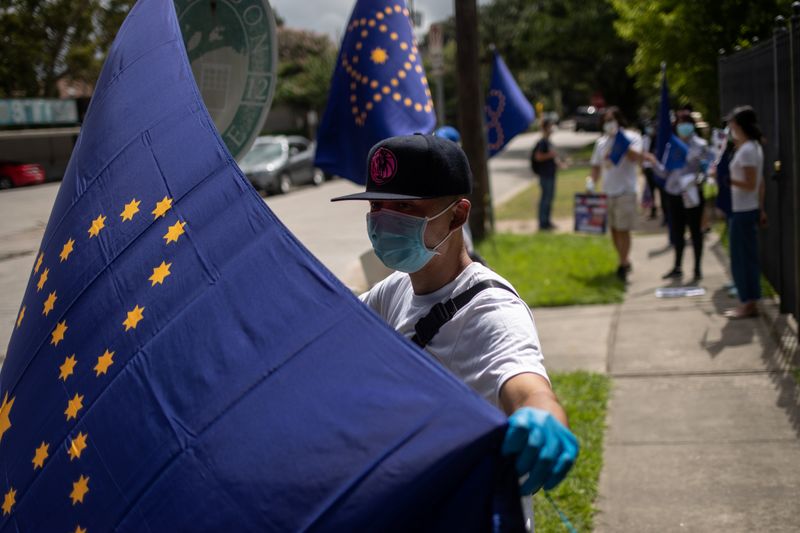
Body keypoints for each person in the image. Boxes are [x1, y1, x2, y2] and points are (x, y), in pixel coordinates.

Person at [332, 134, 578, 518]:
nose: (382, 221)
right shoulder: (396, 287)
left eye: (404, 207)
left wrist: (543, 418)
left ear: (458, 215)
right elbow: (331, 328)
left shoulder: (492, 310)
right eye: (376, 205)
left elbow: (527, 386)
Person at [647, 110, 711, 284]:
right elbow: (664, 172)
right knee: (677, 231)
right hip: (674, 193)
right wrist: (653, 163)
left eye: (687, 123)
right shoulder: (671, 146)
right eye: (680, 123)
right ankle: (677, 267)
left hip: (692, 193)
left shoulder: (701, 144)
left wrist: (698, 179)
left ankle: (697, 268)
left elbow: (707, 169)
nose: (684, 127)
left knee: (695, 231)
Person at [589, 107, 643, 282]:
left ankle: (623, 262)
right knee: (613, 229)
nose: (609, 124)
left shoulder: (632, 137)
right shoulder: (601, 143)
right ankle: (623, 259)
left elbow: (637, 157)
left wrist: (621, 142)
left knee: (623, 228)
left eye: (612, 120)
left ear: (619, 120)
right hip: (608, 191)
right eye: (606, 121)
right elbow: (596, 166)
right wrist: (591, 181)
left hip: (626, 191)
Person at [724, 106, 766, 319]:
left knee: (741, 259)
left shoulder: (748, 149)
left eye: (732, 123)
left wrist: (727, 179)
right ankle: (750, 300)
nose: (730, 127)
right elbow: (760, 183)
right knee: (747, 257)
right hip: (748, 209)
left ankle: (746, 302)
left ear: (739, 125)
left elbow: (751, 183)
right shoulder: (753, 147)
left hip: (743, 211)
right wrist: (761, 208)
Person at [531, 119, 559, 230]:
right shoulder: (542, 143)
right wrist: (550, 155)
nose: (552, 129)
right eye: (550, 126)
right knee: (545, 199)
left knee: (549, 198)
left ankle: (547, 221)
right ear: (546, 128)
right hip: (545, 175)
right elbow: (538, 157)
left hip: (550, 174)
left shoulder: (548, 142)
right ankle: (543, 223)